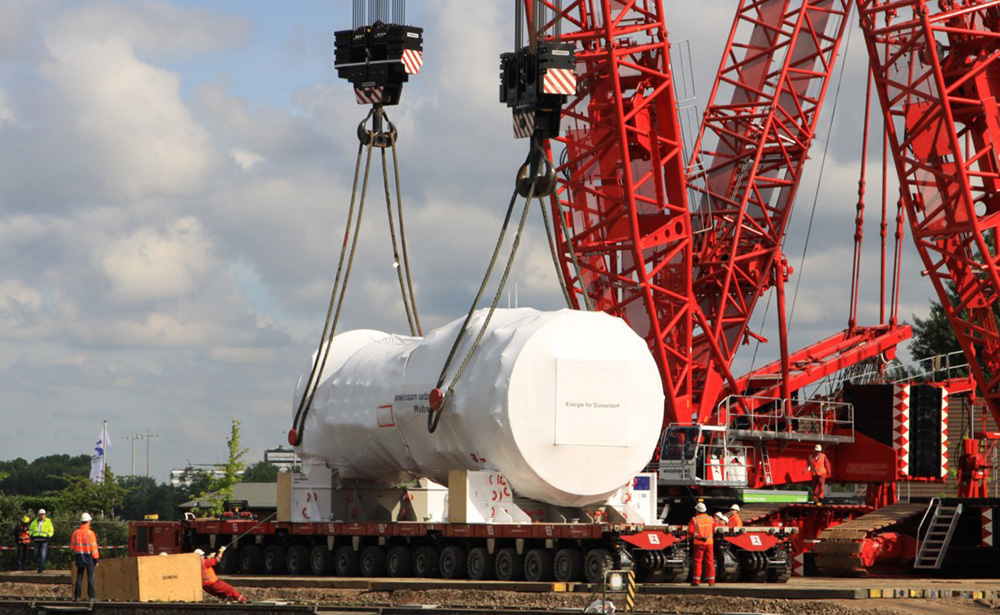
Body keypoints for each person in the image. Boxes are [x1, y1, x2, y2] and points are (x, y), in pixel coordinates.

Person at [71, 513, 99, 601]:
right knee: (90, 577)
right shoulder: (90, 533)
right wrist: (96, 559)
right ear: (88, 522)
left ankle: (77, 596)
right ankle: (91, 596)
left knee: (79, 576)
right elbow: (93, 548)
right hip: (89, 557)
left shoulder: (75, 533)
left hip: (79, 556)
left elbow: (72, 547)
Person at [687, 502, 715, 586]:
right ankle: (711, 582)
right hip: (709, 543)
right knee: (710, 561)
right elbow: (713, 530)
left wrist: (698, 536)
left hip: (698, 543)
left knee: (698, 562)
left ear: (697, 511)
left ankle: (696, 581)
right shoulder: (711, 519)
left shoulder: (694, 519)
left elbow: (691, 531)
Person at [28, 509, 54, 573]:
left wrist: (49, 536)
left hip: (44, 540)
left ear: (45, 515)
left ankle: (41, 567)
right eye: (40, 514)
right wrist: (31, 535)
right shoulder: (34, 522)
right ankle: (37, 565)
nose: (42, 516)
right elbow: (30, 530)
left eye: (43, 514)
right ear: (38, 515)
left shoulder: (48, 522)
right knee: (35, 554)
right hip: (36, 539)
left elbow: (51, 531)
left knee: (43, 554)